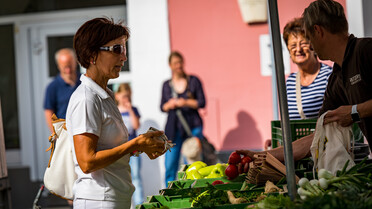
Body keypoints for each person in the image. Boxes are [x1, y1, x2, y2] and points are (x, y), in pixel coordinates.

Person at [239, 0, 372, 162]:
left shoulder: (366, 50)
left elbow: (353, 112)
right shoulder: (336, 78)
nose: (310, 45)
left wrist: (354, 112)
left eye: (308, 38)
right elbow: (317, 137)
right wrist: (263, 156)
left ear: (318, 31)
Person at [66, 17, 167, 209]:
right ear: (92, 55)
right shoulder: (87, 99)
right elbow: (87, 161)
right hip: (98, 201)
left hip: (113, 198)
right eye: (117, 49)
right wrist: (134, 143)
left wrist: (141, 147)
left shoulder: (105, 95)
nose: (124, 57)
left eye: (124, 49)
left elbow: (109, 149)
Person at [161, 51, 206, 185]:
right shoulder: (166, 85)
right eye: (175, 63)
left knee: (194, 164)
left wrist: (184, 102)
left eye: (180, 62)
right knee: (170, 165)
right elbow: (162, 106)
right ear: (170, 65)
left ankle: (195, 191)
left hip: (193, 127)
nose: (178, 66)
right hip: (173, 130)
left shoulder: (194, 81)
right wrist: (170, 104)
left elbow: (202, 102)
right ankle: (169, 194)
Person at [283, 17, 332, 120]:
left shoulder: (329, 76)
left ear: (313, 45)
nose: (298, 49)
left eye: (303, 43)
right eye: (293, 45)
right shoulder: (290, 82)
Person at [115, 83, 144, 206]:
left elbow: (136, 125)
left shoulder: (134, 109)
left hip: (134, 149)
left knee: (136, 177)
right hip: (120, 149)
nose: (125, 99)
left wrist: (130, 109)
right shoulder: (114, 110)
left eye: (127, 96)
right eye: (123, 96)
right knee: (121, 178)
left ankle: (138, 204)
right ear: (117, 96)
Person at [44, 48, 81, 132]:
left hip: (85, 129)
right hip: (64, 132)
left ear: (75, 62)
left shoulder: (84, 81)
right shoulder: (52, 87)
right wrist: (55, 134)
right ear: (58, 66)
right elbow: (49, 112)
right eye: (65, 67)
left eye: (70, 66)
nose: (68, 70)